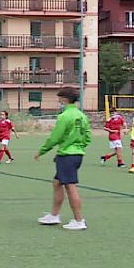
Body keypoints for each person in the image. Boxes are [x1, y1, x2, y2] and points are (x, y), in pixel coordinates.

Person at [35, 87, 91, 231]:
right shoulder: (81, 115)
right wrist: (80, 147)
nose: (58, 101)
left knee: (70, 186)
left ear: (64, 99)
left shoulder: (64, 116)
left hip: (67, 155)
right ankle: (54, 215)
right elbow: (87, 135)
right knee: (57, 182)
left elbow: (56, 137)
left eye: (59, 98)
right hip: (77, 154)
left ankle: (79, 220)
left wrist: (42, 151)